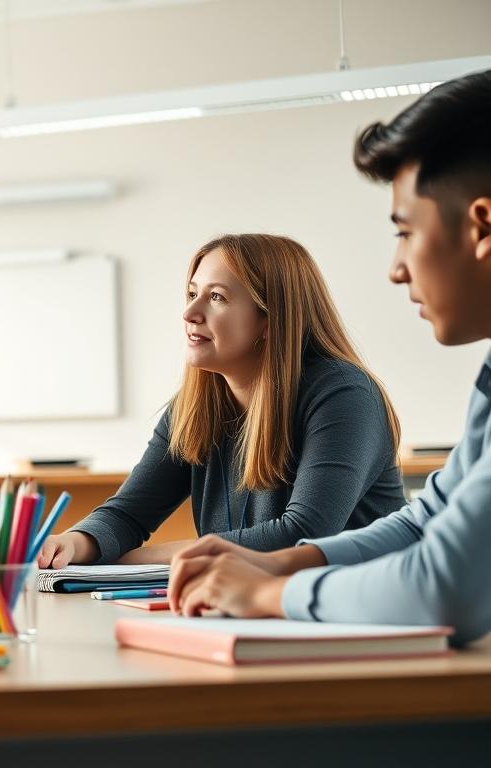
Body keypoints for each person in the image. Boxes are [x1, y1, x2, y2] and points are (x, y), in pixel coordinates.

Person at [168, 69, 491, 646]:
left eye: (405, 232)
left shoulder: (341, 391)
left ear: (482, 227)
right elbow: (426, 518)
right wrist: (284, 564)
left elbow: (444, 588)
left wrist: (268, 593)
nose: (397, 268)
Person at [38, 234, 405, 567]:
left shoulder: (344, 395)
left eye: (216, 297)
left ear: (269, 318)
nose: (189, 313)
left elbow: (303, 535)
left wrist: (145, 558)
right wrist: (74, 542)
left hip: (354, 623)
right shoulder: (196, 407)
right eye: (192, 293)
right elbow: (128, 515)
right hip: (258, 615)